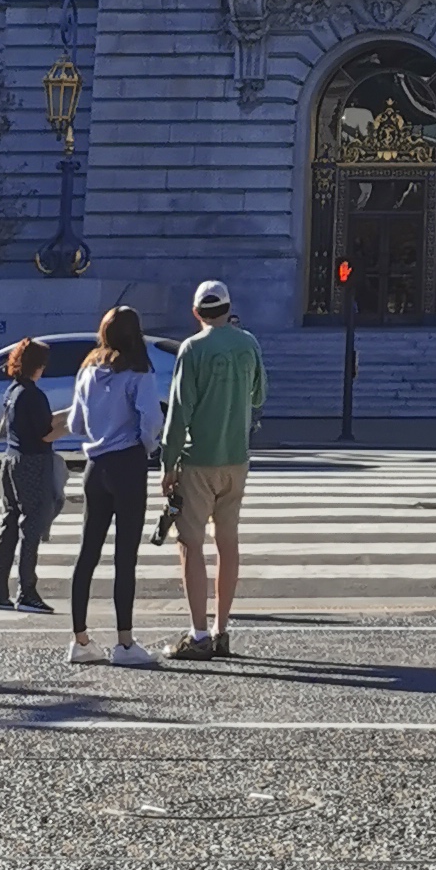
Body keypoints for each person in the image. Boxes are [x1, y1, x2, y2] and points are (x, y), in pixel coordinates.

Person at [158, 276, 265, 662]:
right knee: (228, 543)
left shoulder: (192, 348)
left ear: (196, 312)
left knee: (190, 544)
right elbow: (259, 394)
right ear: (228, 308)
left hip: (199, 458)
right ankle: (221, 630)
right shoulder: (248, 343)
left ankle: (198, 632)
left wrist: (168, 463)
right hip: (237, 457)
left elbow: (179, 410)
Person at [64, 304, 163, 666]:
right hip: (128, 462)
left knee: (87, 552)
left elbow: (75, 423)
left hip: (95, 464)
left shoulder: (88, 370)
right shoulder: (138, 371)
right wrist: (147, 445)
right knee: (125, 556)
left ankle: (80, 639)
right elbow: (151, 420)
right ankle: (124, 642)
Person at [0, 338, 57, 614]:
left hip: (11, 459)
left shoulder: (13, 390)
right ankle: (27, 591)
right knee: (32, 524)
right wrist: (73, 425)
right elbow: (45, 433)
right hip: (32, 461)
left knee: (10, 522)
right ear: (38, 366)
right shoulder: (34, 395)